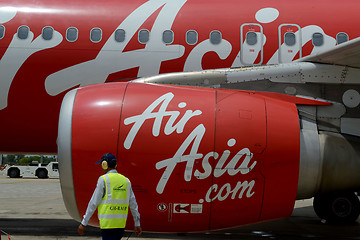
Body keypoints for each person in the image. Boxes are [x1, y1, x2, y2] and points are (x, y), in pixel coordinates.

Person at [78, 153, 142, 239]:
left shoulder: (103, 179)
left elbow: (93, 203)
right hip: (121, 225)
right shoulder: (126, 181)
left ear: (105, 164)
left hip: (107, 224)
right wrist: (137, 223)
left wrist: (84, 223)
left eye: (101, 164)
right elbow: (133, 204)